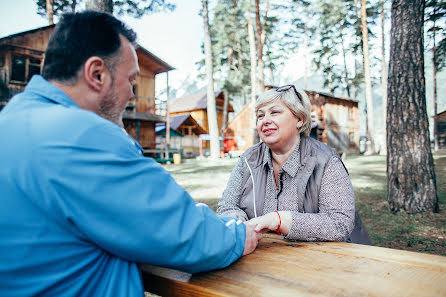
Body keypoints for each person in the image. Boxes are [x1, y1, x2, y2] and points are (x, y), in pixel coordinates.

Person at [0, 11, 261, 296]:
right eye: (131, 80)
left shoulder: (11, 120)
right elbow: (183, 232)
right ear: (97, 74)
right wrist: (238, 234)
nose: (132, 95)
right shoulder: (83, 135)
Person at [217, 85, 370, 244]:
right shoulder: (248, 159)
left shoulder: (326, 162)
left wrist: (281, 220)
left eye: (275, 112)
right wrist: (236, 218)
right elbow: (227, 206)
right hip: (260, 256)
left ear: (299, 119)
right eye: (260, 116)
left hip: (321, 260)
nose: (265, 121)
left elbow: (339, 224)